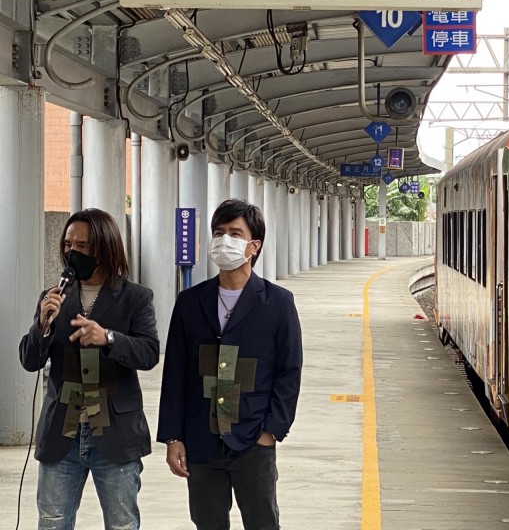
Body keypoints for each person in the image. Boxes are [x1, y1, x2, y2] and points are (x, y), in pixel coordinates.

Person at [158, 198, 303, 530]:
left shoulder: (278, 303)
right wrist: (173, 436)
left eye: (235, 234)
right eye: (218, 232)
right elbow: (175, 373)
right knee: (207, 521)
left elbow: (289, 371)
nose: (225, 240)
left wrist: (271, 430)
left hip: (253, 437)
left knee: (262, 521)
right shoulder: (190, 302)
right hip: (201, 438)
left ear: (254, 245)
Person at [19, 208, 160, 530]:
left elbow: (149, 353)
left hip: (115, 434)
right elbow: (29, 360)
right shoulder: (54, 296)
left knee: (122, 524)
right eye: (68, 245)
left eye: (82, 246)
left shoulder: (135, 297)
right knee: (52, 522)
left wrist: (108, 338)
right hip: (61, 433)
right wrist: (42, 326)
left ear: (104, 248)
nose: (73, 252)